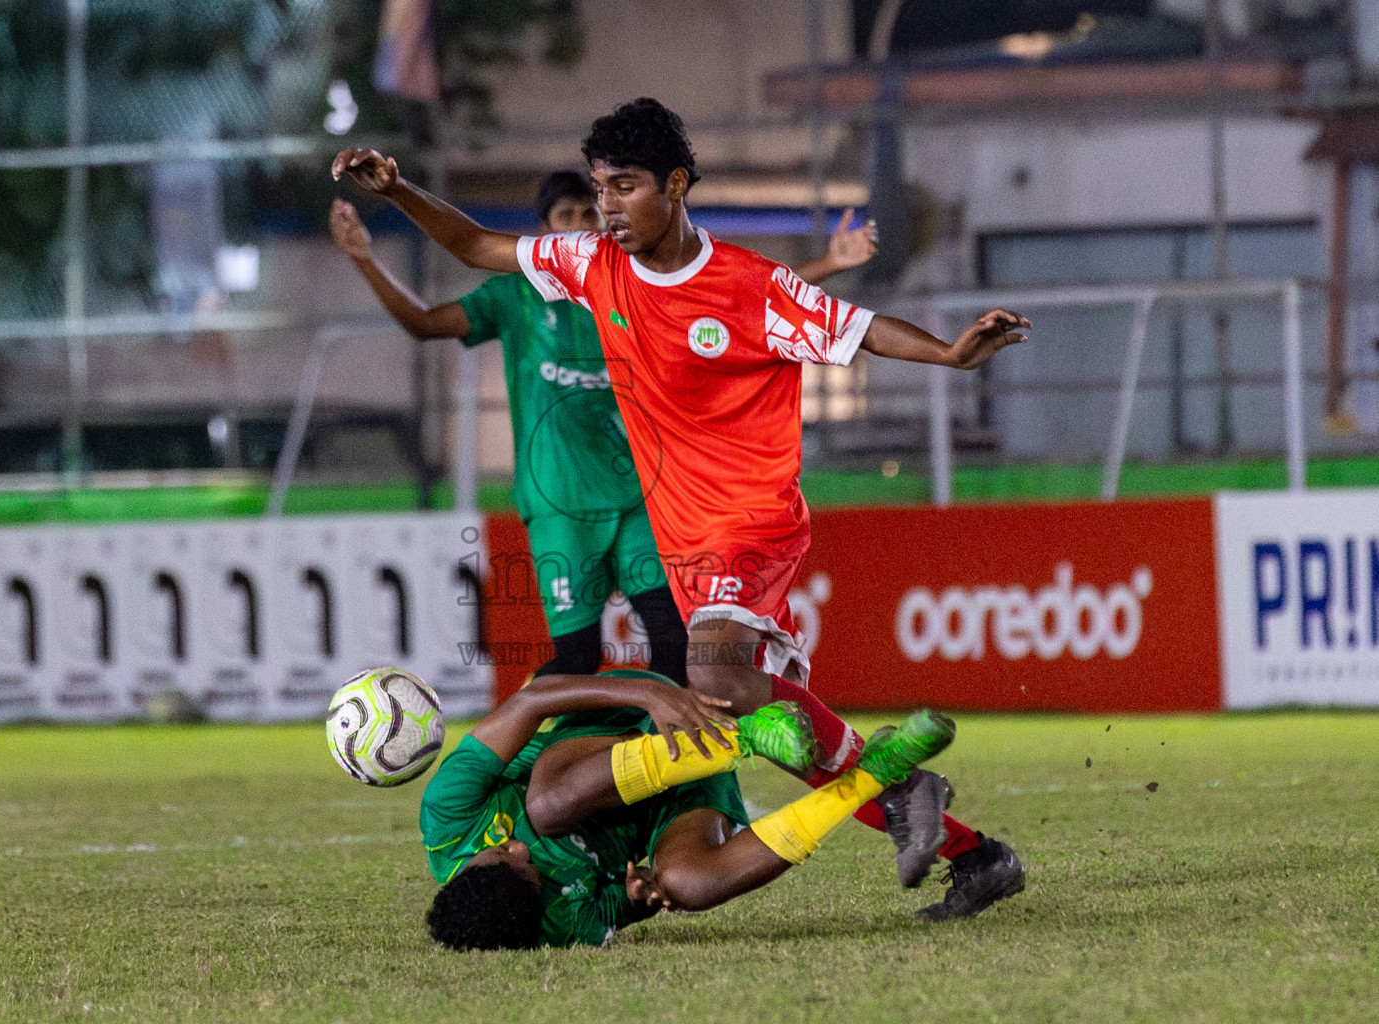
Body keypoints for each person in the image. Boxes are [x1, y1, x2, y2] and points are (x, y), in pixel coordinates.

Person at [333, 98, 1028, 920]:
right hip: (682, 536)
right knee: (741, 694)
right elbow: (480, 245)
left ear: (677, 182)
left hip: (753, 516)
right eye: (600, 191)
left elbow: (861, 330)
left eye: (625, 187)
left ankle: (904, 787)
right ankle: (969, 850)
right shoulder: (593, 264)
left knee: (709, 674)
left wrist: (949, 354)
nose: (609, 208)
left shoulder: (749, 285)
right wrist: (402, 192)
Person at [328, 171, 877, 684]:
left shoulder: (627, 283)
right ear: (545, 230)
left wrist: (827, 264)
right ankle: (523, 763)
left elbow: (738, 299)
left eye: (589, 214)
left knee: (675, 642)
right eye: (566, 216)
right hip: (561, 505)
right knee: (577, 659)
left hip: (641, 498)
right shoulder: (513, 296)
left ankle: (653, 771)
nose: (581, 226)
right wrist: (364, 259)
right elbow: (424, 324)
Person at [420, 666, 955, 949]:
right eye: (528, 866)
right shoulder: (557, 927)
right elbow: (629, 901)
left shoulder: (447, 818)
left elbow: (530, 701)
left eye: (503, 851)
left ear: (467, 866)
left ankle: (750, 735)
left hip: (643, 723)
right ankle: (875, 774)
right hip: (676, 804)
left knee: (546, 806)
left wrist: (645, 696)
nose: (518, 848)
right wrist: (642, 895)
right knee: (689, 885)